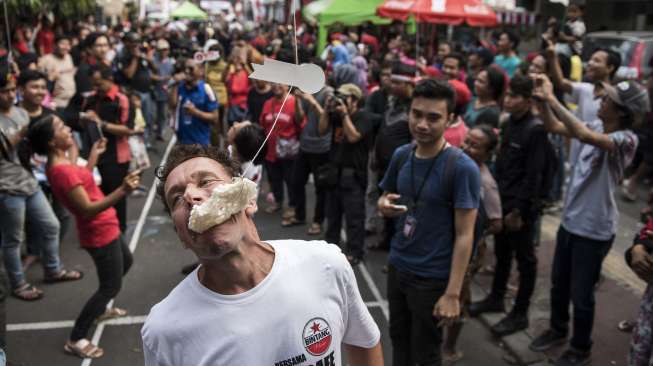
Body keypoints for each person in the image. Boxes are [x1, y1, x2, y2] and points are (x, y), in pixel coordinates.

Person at [142, 144, 383, 366]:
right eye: (177, 198)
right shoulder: (163, 331)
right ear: (182, 235)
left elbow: (364, 342)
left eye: (205, 181)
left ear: (247, 198)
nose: (191, 197)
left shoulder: (326, 264)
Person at [529, 75, 646, 366]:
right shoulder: (595, 125)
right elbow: (553, 126)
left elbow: (583, 136)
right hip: (571, 223)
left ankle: (581, 347)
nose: (601, 101)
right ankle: (557, 330)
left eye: (608, 100)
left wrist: (553, 98)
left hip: (594, 231)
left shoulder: (626, 140)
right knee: (559, 284)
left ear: (622, 112)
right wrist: (542, 102)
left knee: (581, 295)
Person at [378, 79, 480, 365]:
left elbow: (465, 235)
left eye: (433, 118)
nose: (422, 124)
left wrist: (452, 293)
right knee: (399, 341)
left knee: (425, 354)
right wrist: (383, 205)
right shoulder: (402, 155)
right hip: (399, 267)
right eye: (416, 114)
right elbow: (385, 196)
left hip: (432, 279)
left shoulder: (462, 168)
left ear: (450, 119)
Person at [28, 114, 141, 359]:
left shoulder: (63, 165)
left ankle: (102, 305)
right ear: (50, 142)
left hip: (107, 224)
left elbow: (82, 181)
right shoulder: (61, 171)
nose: (68, 129)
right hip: (98, 232)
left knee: (127, 261)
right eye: (61, 127)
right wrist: (124, 189)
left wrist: (92, 158)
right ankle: (76, 337)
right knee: (110, 286)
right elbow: (86, 208)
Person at [469, 75, 551, 336]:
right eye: (508, 95)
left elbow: (534, 174)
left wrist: (519, 211)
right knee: (502, 254)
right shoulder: (510, 123)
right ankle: (495, 297)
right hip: (503, 201)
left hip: (520, 208)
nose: (508, 100)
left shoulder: (535, 129)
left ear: (528, 101)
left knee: (525, 261)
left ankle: (519, 314)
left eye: (514, 96)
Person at [0, 70, 81, 302]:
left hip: (28, 180)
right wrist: (22, 133)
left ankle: (53, 269)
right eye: (3, 91)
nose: (8, 95)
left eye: (10, 90)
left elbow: (35, 147)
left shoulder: (20, 113)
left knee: (52, 225)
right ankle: (18, 283)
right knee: (13, 239)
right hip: (6, 188)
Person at [444, 124, 504, 364]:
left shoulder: (486, 184)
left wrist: (473, 229)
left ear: (488, 154)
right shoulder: (456, 166)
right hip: (443, 243)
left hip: (466, 251)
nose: (466, 148)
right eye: (466, 141)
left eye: (474, 146)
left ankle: (449, 347)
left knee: (458, 297)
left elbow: (497, 224)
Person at [318, 83, 372, 265]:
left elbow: (353, 136)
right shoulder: (335, 114)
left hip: (354, 175)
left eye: (344, 97)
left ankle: (355, 252)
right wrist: (326, 110)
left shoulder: (363, 116)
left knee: (354, 217)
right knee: (332, 215)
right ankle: (331, 248)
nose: (339, 101)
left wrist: (345, 115)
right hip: (334, 173)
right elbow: (322, 130)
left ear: (354, 100)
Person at [81, 64, 137, 232]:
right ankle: (103, 227)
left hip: (116, 157)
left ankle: (119, 230)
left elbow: (128, 129)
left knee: (117, 196)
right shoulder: (90, 98)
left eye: (99, 84)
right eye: (93, 84)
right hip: (94, 155)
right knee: (96, 194)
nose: (96, 88)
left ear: (110, 80)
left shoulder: (123, 100)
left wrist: (101, 123)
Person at [259, 82, 304, 215]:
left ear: (288, 85)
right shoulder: (268, 103)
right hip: (271, 150)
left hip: (288, 151)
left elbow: (301, 122)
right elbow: (262, 123)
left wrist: (299, 103)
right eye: (274, 83)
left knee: (291, 179)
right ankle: (278, 202)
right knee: (274, 178)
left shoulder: (294, 101)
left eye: (280, 83)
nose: (276, 86)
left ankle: (292, 205)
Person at [116, 32, 157, 140]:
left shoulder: (141, 51)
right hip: (134, 93)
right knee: (136, 120)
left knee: (148, 118)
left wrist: (148, 59)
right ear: (126, 42)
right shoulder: (123, 56)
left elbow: (154, 69)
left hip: (146, 91)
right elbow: (129, 74)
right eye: (134, 42)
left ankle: (145, 140)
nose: (137, 44)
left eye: (138, 41)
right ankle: (137, 142)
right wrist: (135, 58)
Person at [169, 59, 219, 146]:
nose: (187, 71)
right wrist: (175, 84)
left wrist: (195, 112)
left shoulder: (207, 90)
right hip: (182, 142)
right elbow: (172, 105)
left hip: (200, 143)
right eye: (185, 68)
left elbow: (215, 118)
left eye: (191, 68)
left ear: (201, 71)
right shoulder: (180, 87)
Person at [38, 35, 76, 113]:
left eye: (68, 44)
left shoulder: (69, 57)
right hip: (55, 104)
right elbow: (38, 79)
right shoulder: (45, 60)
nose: (66, 47)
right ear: (54, 45)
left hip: (70, 103)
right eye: (62, 44)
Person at [151, 39, 174, 142]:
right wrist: (162, 78)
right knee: (151, 114)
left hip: (164, 92)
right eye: (162, 49)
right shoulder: (153, 61)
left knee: (163, 114)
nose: (164, 51)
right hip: (153, 91)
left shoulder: (170, 62)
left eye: (166, 49)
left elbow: (171, 76)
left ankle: (160, 133)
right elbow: (150, 76)